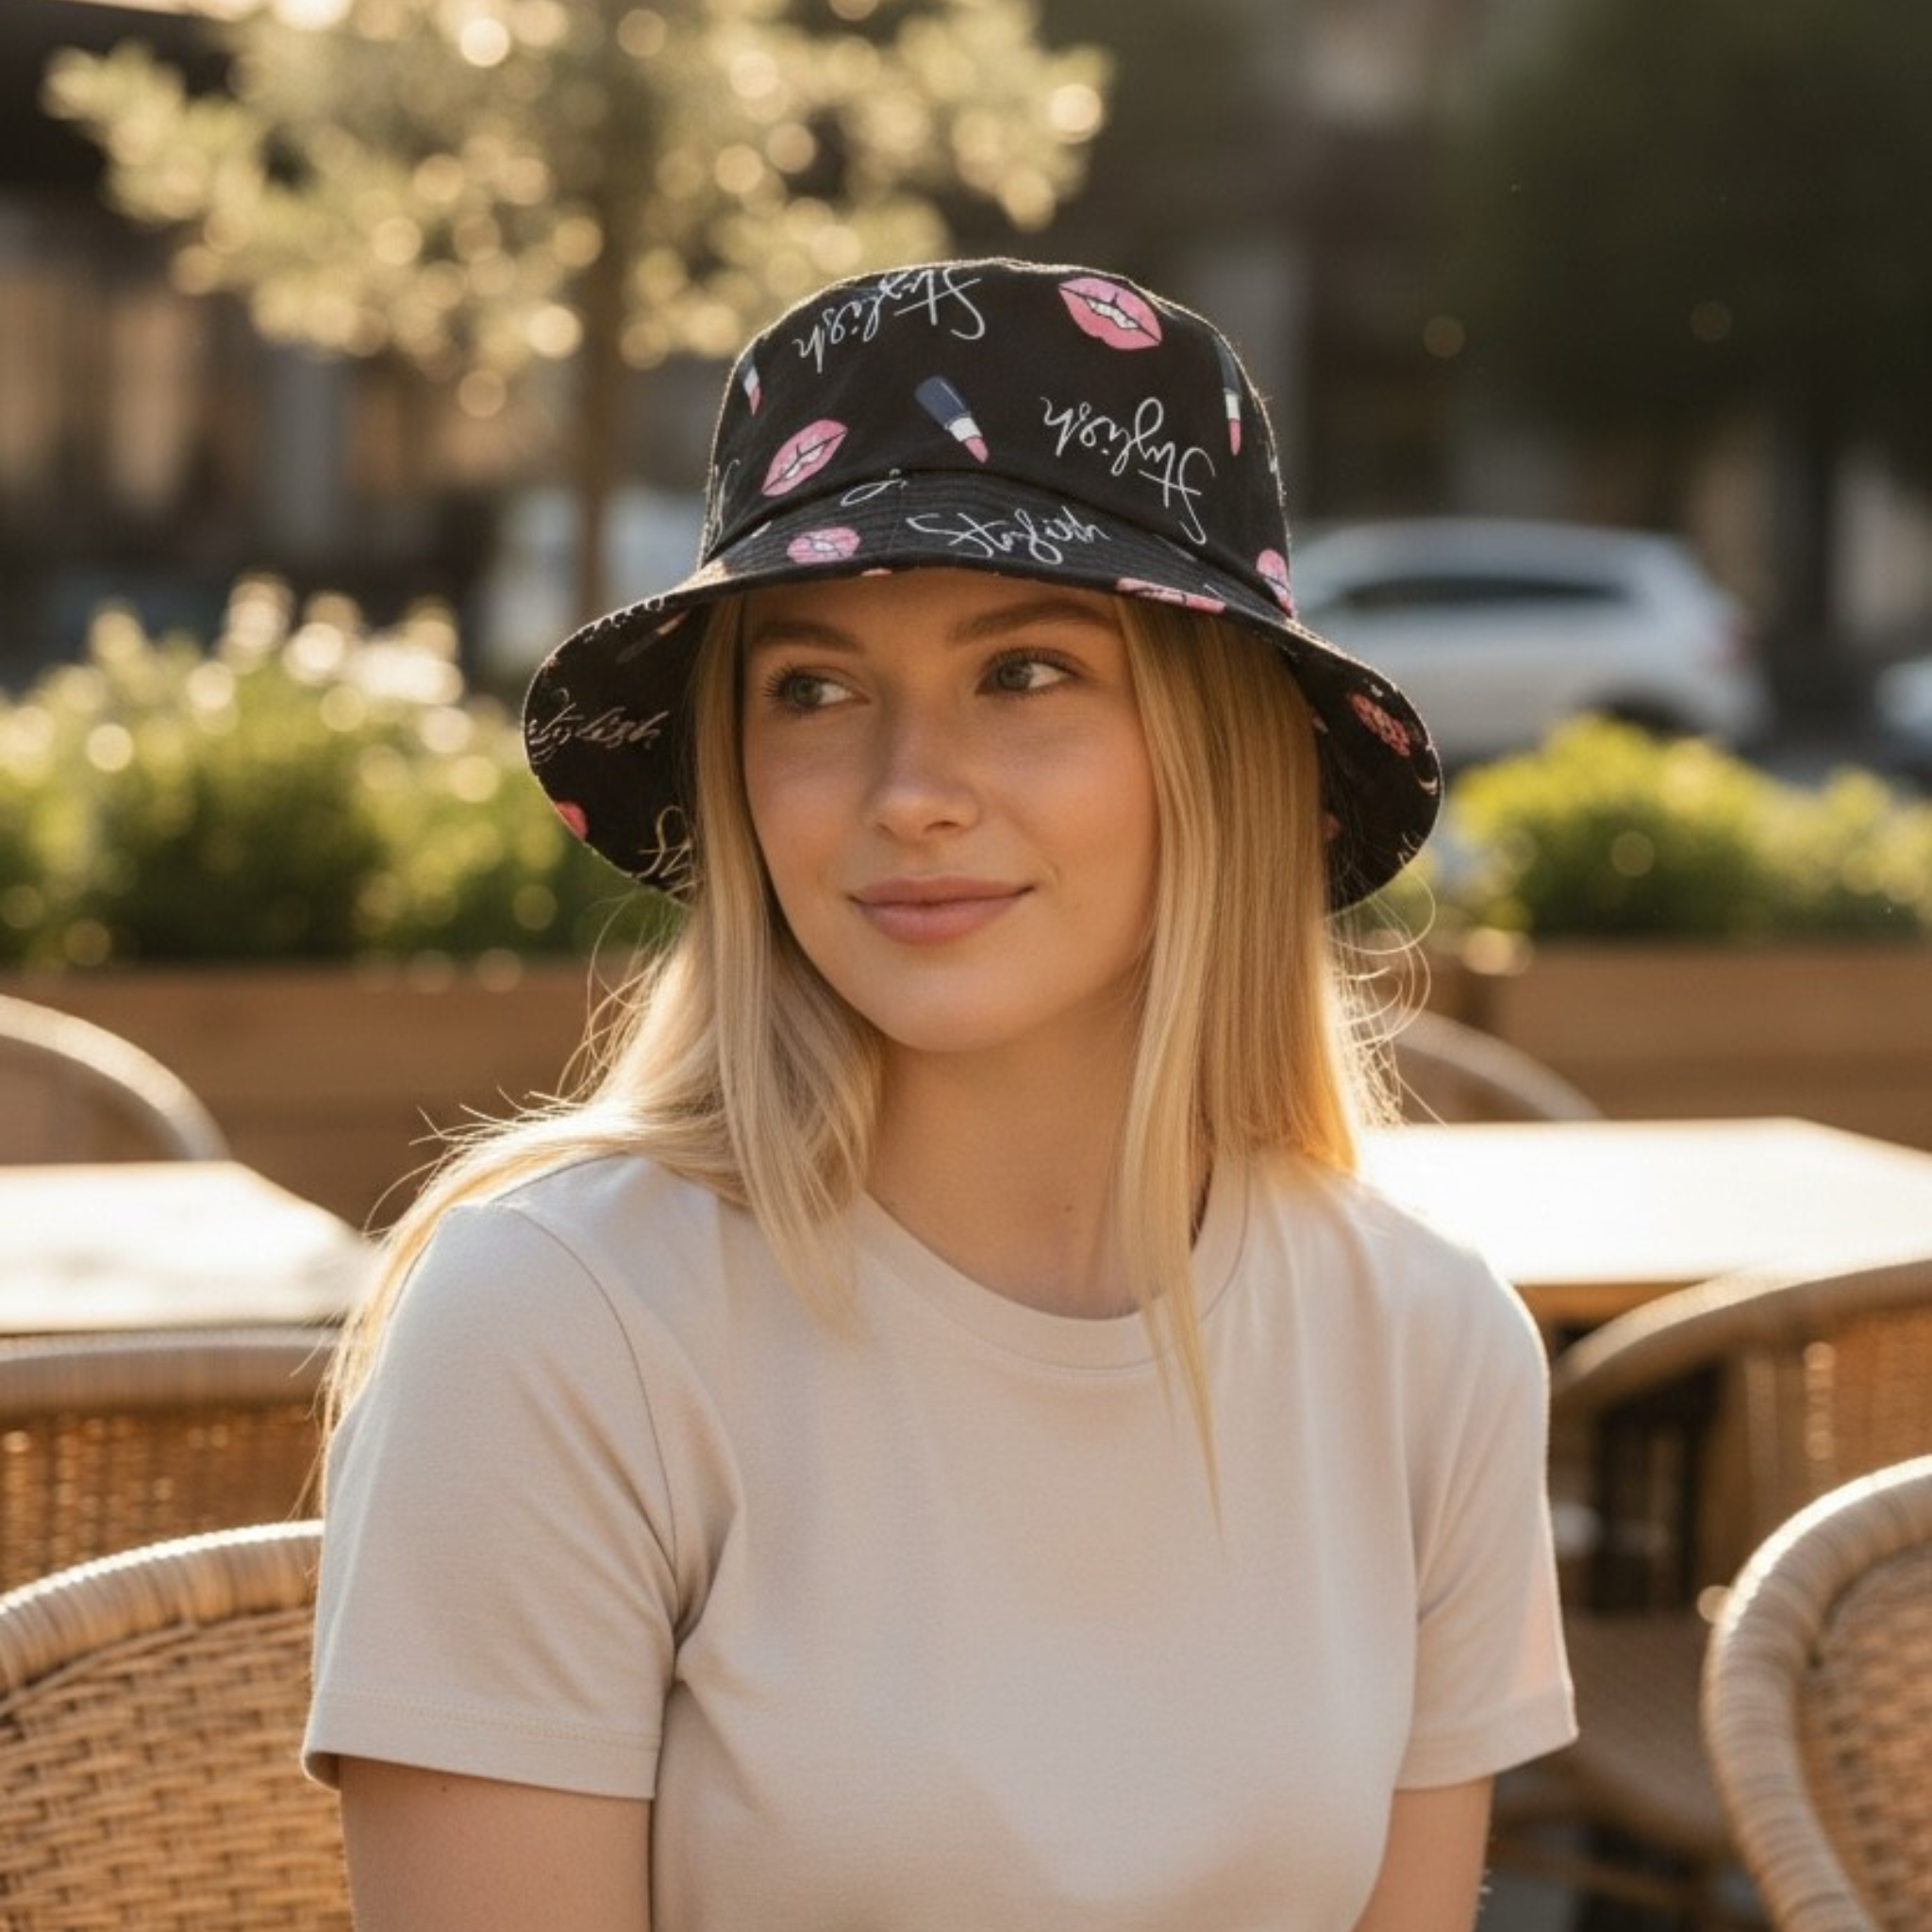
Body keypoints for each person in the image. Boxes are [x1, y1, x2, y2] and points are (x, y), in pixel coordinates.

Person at [304, 258, 1576, 1931]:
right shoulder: (558, 1330)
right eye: (813, 690)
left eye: (1025, 673)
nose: (910, 795)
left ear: (1222, 750)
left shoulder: (1431, 1350)